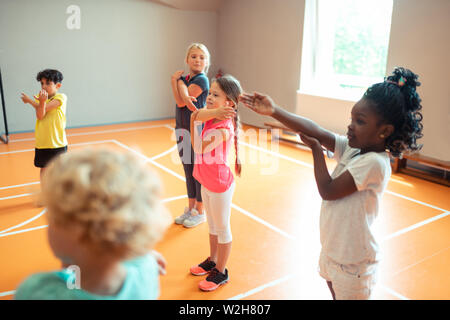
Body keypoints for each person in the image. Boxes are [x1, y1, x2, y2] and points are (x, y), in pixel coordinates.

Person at [239, 67, 424, 300]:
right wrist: (274, 111)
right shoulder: (354, 150)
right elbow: (316, 130)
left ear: (384, 131)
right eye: (352, 118)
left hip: (353, 264)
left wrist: (316, 150)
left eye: (360, 121)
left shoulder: (375, 163)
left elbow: (328, 190)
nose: (350, 125)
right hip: (333, 252)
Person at [14, 148, 171, 299]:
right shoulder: (146, 274)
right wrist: (142, 256)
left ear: (78, 232)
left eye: (54, 216)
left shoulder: (36, 292)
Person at [189, 74, 242, 291]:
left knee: (222, 228)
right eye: (209, 93)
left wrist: (195, 120)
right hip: (206, 181)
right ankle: (212, 260)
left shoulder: (223, 128)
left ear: (228, 103)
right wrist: (202, 115)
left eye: (215, 95)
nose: (209, 97)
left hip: (219, 185)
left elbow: (198, 147)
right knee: (211, 226)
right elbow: (197, 114)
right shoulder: (212, 117)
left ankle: (221, 271)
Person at [20, 69, 68, 182]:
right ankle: (45, 193)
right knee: (44, 169)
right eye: (42, 83)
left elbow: (45, 107)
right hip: (43, 142)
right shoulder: (40, 98)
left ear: (58, 85)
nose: (44, 86)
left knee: (60, 169)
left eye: (48, 83)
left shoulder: (61, 97)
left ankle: (59, 192)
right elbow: (40, 115)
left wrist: (31, 101)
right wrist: (40, 102)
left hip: (58, 142)